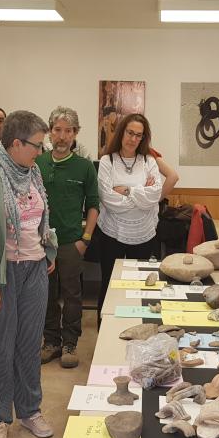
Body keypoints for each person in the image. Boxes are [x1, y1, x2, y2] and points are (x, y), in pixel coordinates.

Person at [0, 110, 58, 438]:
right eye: (37, 144)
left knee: (28, 346)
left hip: (34, 269)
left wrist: (49, 249)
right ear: (16, 143)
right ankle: (1, 417)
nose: (41, 151)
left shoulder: (31, 172)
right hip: (1, 275)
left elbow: (39, 218)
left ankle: (30, 410)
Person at [37, 107, 99, 368]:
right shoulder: (37, 164)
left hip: (72, 242)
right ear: (50, 132)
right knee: (46, 294)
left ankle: (70, 343)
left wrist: (84, 240)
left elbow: (94, 205)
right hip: (41, 244)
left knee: (73, 294)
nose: (62, 136)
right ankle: (51, 341)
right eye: (57, 130)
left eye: (68, 131)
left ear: (76, 134)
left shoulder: (84, 167)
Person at [96, 113, 162, 321]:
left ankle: (139, 328)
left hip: (143, 233)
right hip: (112, 233)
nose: (133, 139)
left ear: (143, 138)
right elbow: (107, 198)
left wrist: (126, 190)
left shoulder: (149, 161)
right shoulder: (108, 161)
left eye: (139, 135)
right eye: (130, 133)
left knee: (142, 286)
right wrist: (141, 192)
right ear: (121, 132)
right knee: (109, 283)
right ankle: (104, 332)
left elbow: (155, 195)